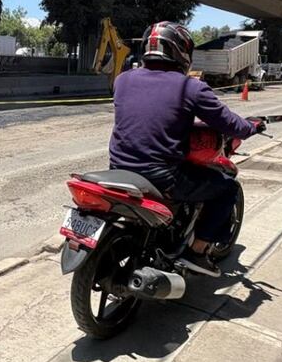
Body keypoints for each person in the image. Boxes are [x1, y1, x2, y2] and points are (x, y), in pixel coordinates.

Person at [108, 21, 264, 276]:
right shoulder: (190, 87)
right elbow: (228, 122)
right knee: (227, 188)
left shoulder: (123, 80)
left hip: (118, 169)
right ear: (181, 51)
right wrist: (250, 127)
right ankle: (198, 251)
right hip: (162, 176)